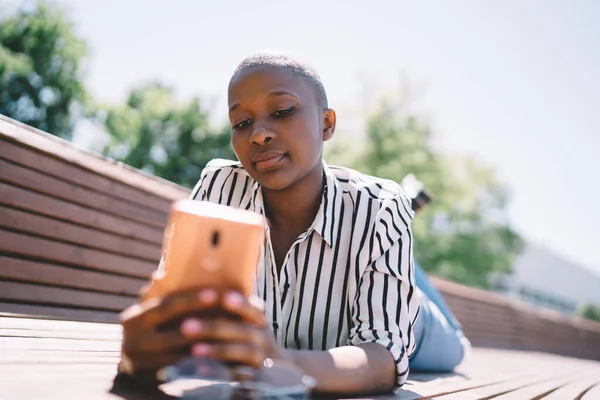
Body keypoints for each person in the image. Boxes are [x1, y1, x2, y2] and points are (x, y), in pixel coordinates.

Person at [117, 52, 469, 397]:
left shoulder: (379, 206)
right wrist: (148, 348)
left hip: (409, 321)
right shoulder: (218, 188)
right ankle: (397, 237)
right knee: (383, 224)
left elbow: (384, 359)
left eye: (283, 111)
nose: (258, 135)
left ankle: (401, 238)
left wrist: (276, 361)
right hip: (369, 242)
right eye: (241, 123)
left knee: (455, 346)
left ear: (327, 124)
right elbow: (167, 311)